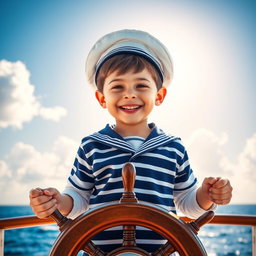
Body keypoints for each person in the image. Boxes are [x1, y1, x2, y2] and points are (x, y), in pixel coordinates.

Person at [29, 29, 233, 253]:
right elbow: (78, 199)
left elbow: (187, 203)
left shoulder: (173, 148)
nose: (129, 94)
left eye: (141, 86)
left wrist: (208, 196)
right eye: (117, 87)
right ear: (101, 98)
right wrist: (57, 203)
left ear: (159, 95)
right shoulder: (91, 146)